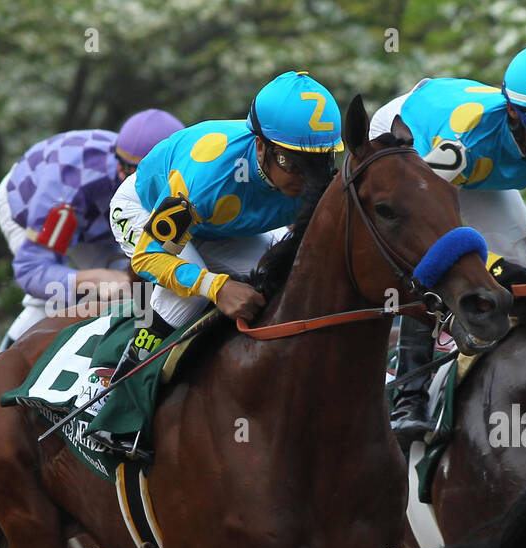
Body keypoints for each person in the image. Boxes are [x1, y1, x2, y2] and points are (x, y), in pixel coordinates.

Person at [89, 71, 344, 458]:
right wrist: (216, 287)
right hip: (146, 211)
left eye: (319, 162)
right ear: (260, 147)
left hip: (224, 225)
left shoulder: (317, 180)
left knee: (286, 278)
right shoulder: (208, 176)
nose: (307, 180)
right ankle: (118, 408)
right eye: (291, 162)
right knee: (186, 300)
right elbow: (148, 257)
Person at [370, 41, 526, 441]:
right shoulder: (467, 137)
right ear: (514, 112)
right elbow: (430, 225)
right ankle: (408, 397)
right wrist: (492, 270)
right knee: (434, 262)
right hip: (417, 138)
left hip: (482, 170)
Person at [0, 110, 184, 348]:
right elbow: (32, 271)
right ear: (122, 169)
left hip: (102, 217)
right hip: (33, 202)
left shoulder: (143, 166)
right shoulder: (66, 197)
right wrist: (94, 279)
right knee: (52, 296)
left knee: (136, 289)